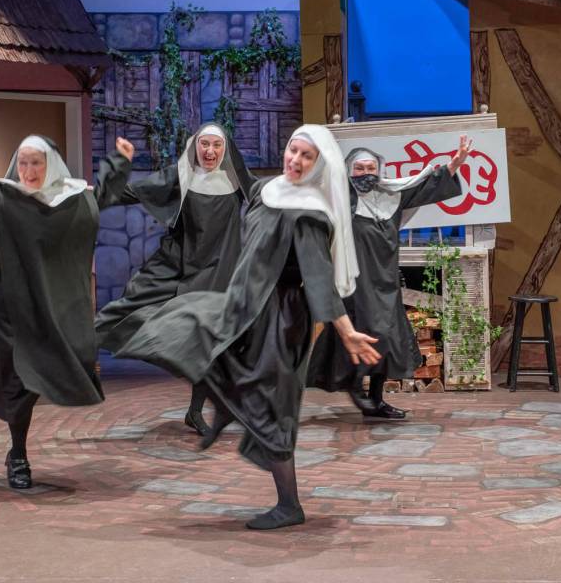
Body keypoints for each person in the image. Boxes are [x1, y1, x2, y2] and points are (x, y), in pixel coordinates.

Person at [114, 125, 381, 530]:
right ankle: (226, 406)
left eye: (307, 156)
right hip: (243, 303)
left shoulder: (308, 212)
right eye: (293, 150)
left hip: (280, 317)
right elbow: (236, 172)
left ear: (319, 165)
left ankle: (288, 504)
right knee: (187, 323)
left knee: (271, 408)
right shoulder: (266, 191)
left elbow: (319, 278)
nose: (295, 160)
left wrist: (345, 331)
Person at [0, 104, 133, 489]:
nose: (28, 170)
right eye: (22, 163)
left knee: (55, 365)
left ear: (50, 164)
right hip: (12, 308)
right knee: (16, 381)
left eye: (36, 163)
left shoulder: (73, 197)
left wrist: (120, 160)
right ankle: (19, 455)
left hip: (53, 303)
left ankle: (20, 448)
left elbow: (104, 195)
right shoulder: (4, 196)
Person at [94, 123, 254, 435]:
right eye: (204, 144)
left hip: (220, 272)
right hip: (180, 264)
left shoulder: (238, 181)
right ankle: (80, 348)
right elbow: (128, 193)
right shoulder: (180, 176)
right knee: (133, 305)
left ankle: (195, 411)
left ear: (225, 150)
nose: (210, 151)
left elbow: (275, 198)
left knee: (212, 346)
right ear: (195, 146)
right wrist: (118, 165)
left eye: (216, 145)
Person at [307, 138, 470, 418]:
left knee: (386, 338)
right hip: (353, 282)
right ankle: (356, 389)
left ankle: (376, 400)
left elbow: (425, 188)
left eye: (370, 168)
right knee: (356, 335)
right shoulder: (340, 200)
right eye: (359, 168)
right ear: (349, 171)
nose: (365, 173)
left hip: (385, 282)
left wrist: (453, 165)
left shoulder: (393, 197)